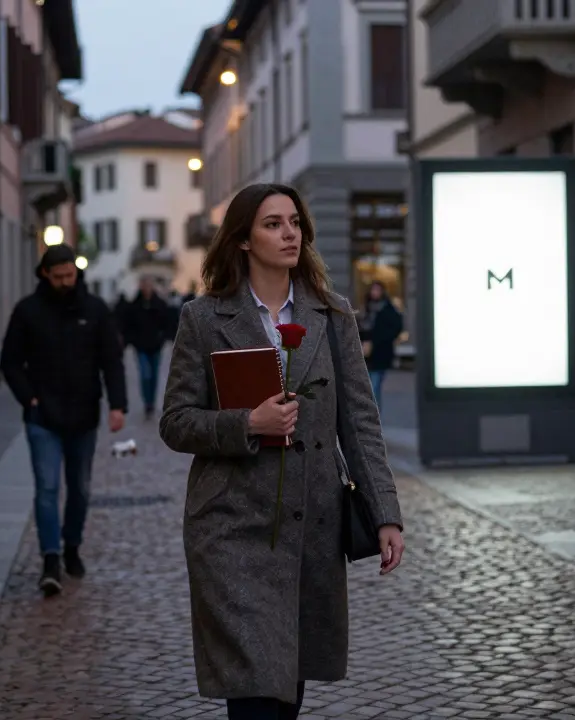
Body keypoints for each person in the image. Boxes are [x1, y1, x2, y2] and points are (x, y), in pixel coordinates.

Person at [159, 183, 406, 719]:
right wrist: (248, 422)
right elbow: (175, 423)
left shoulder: (332, 315)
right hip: (230, 527)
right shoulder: (203, 320)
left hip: (310, 523)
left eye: (294, 222)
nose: (289, 232)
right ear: (243, 240)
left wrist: (385, 513)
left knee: (286, 686)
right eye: (273, 223)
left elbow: (360, 422)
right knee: (253, 691)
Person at [0, 243, 128, 597]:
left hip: (84, 413)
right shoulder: (27, 311)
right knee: (47, 488)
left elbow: (111, 360)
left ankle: (72, 546)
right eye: (58, 277)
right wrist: (29, 397)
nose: (65, 282)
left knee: (81, 488)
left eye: (70, 275)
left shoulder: (96, 310)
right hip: (42, 416)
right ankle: (50, 558)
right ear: (45, 274)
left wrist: (118, 405)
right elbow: (10, 361)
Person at [120, 275, 174, 418]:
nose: (147, 288)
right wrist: (132, 340)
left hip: (156, 346)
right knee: (145, 375)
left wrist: (162, 338)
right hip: (141, 346)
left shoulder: (160, 304)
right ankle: (147, 402)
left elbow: (167, 322)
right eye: (144, 285)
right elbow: (128, 325)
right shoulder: (134, 306)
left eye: (149, 285)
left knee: (154, 375)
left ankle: (151, 402)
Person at [357, 281, 404, 414]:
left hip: (380, 353)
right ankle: (369, 418)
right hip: (364, 354)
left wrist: (378, 341)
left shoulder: (388, 309)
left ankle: (375, 420)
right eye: (373, 290)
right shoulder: (366, 308)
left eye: (378, 290)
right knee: (366, 389)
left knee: (374, 387)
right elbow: (358, 328)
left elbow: (396, 328)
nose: (375, 293)